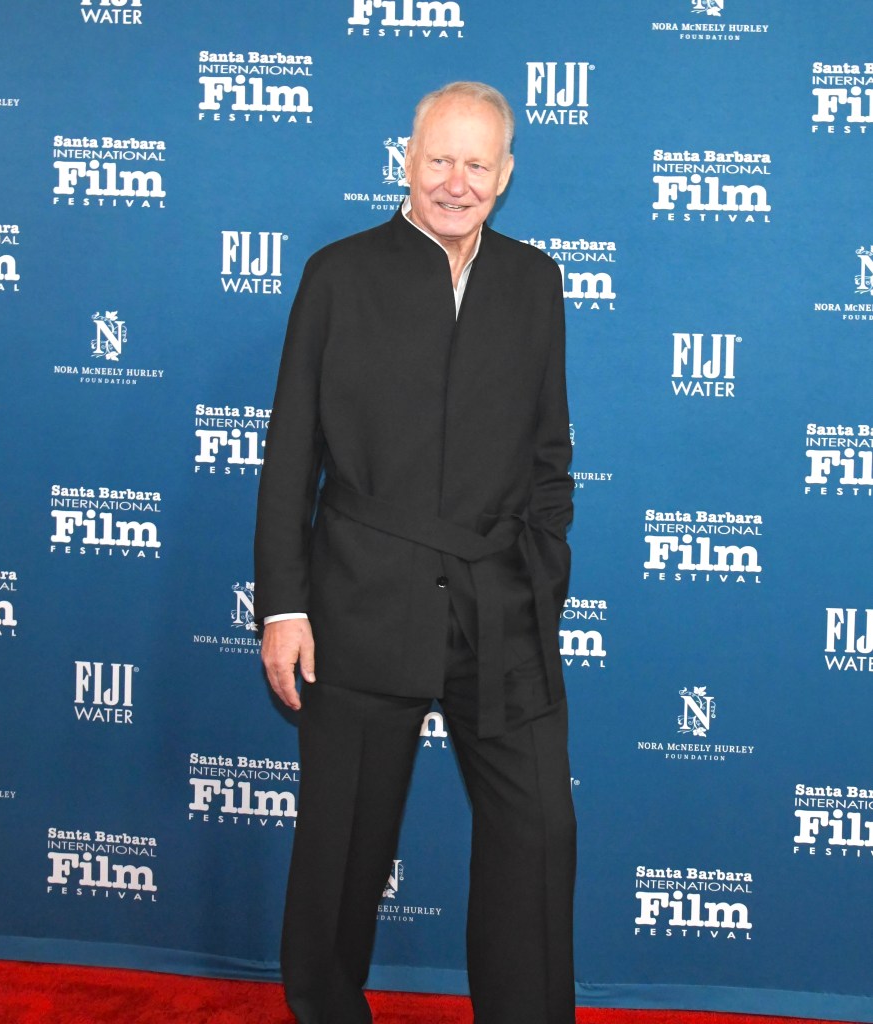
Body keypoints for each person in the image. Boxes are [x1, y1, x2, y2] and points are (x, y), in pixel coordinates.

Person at [254, 81, 576, 1024]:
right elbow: (289, 454)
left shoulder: (536, 281)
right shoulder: (337, 275)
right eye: (440, 159)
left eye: (477, 164)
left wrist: (539, 578)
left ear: (505, 175)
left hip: (498, 603)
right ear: (408, 159)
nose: (456, 182)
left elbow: (549, 453)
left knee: (538, 836)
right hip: (361, 598)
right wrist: (284, 606)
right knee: (342, 853)